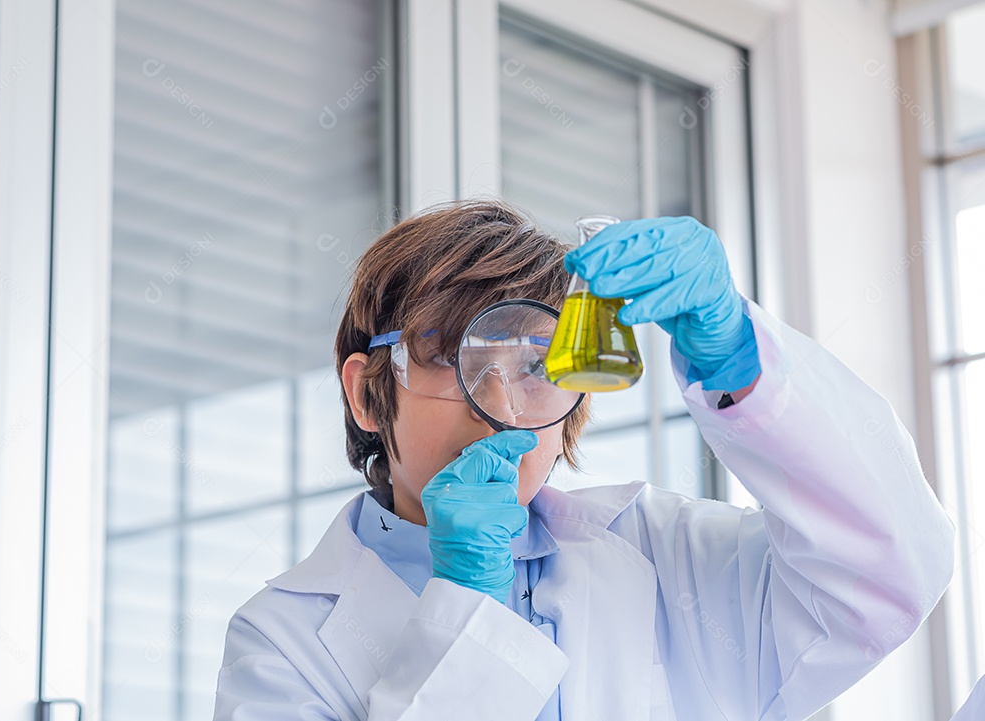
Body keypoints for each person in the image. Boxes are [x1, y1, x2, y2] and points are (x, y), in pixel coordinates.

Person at [212, 200, 954, 721]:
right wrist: (465, 605)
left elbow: (890, 570)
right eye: (449, 355)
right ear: (369, 397)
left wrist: (740, 363)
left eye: (535, 361)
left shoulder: (662, 559)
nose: (495, 397)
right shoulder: (281, 644)